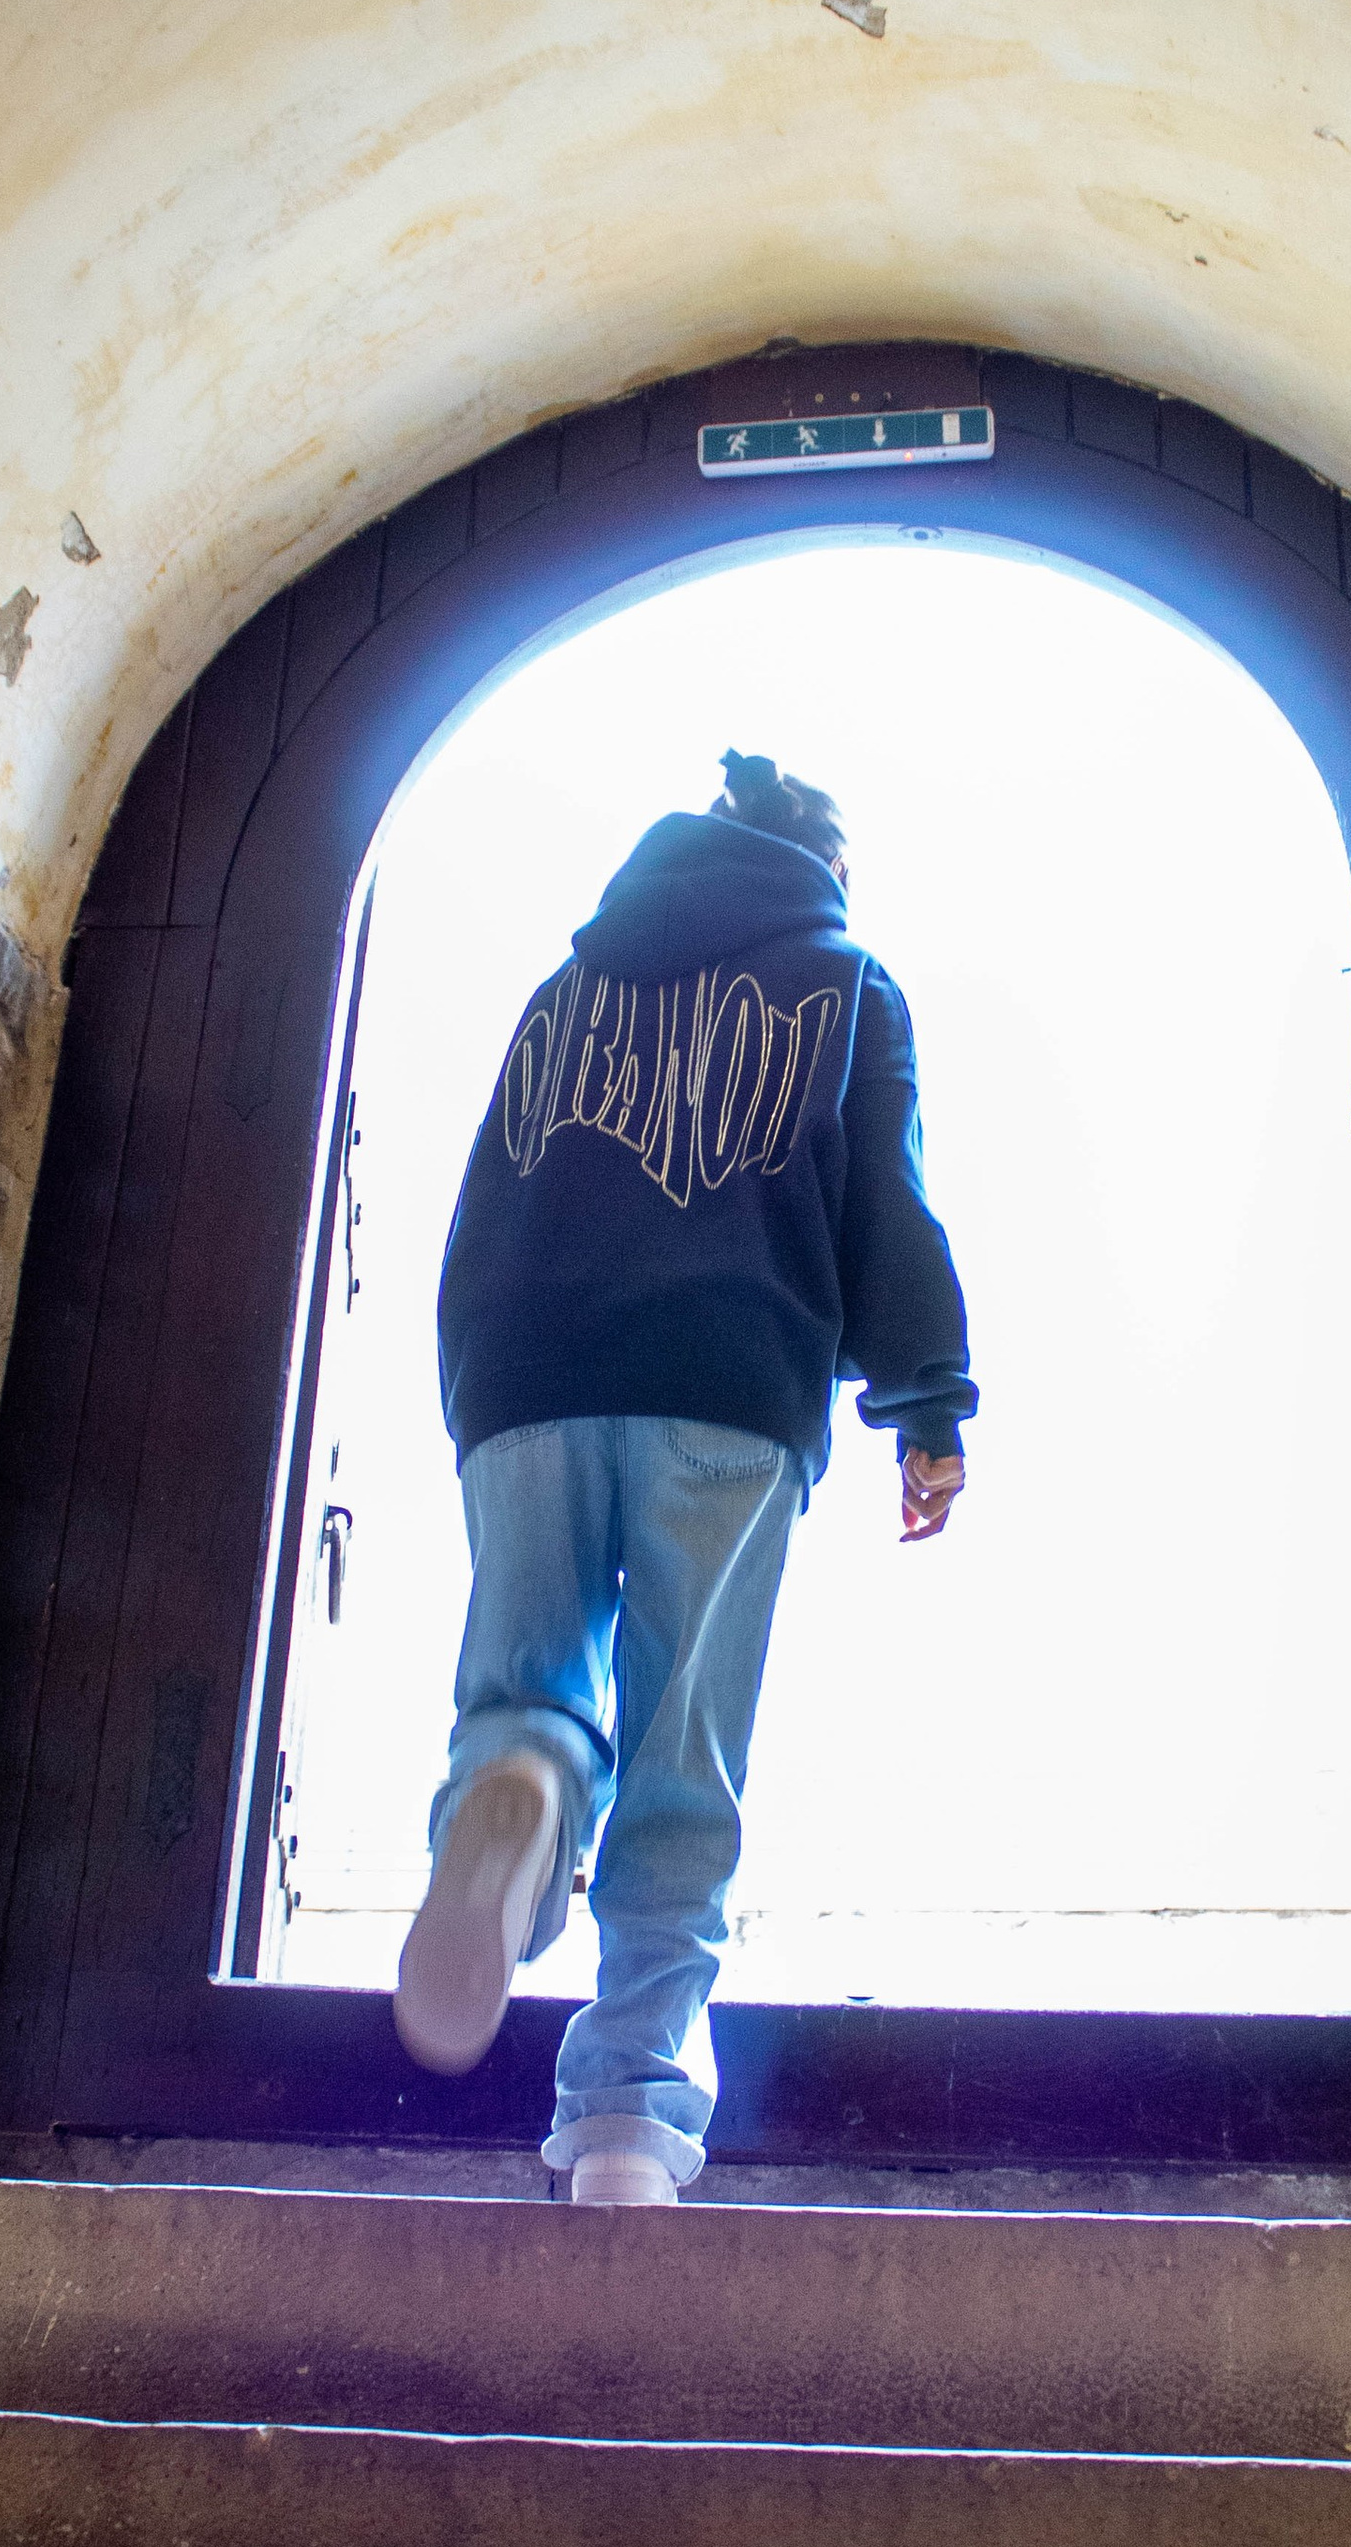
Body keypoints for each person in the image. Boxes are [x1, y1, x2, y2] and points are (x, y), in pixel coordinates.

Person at [396, 751, 975, 2205]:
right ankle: (624, 2130)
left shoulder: (568, 986)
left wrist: (483, 1402)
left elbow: (487, 1196)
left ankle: (519, 1782)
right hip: (728, 1387)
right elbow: (884, 1201)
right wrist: (927, 1404)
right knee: (682, 1767)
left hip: (530, 1373)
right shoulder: (847, 982)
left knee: (529, 1685)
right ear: (827, 871)